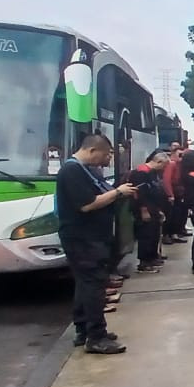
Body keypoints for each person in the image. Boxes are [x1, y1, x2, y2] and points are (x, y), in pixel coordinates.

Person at [56, 133, 136, 354]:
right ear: (92, 150)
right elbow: (87, 205)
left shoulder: (86, 170)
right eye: (105, 154)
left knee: (85, 284)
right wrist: (118, 192)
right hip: (82, 239)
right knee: (93, 285)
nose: (106, 160)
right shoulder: (71, 171)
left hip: (91, 238)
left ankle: (84, 329)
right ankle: (96, 337)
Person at [127, 149, 169, 274]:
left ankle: (152, 257)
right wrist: (143, 210)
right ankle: (144, 263)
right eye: (164, 165)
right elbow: (139, 194)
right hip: (144, 209)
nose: (164, 168)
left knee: (154, 233)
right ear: (158, 161)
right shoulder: (140, 173)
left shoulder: (151, 172)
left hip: (153, 207)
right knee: (146, 235)